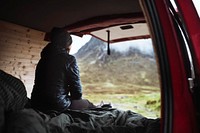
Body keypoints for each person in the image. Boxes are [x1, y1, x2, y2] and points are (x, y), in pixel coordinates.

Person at [31, 27, 95, 113]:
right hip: (57, 105)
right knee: (88, 104)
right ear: (66, 44)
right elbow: (76, 89)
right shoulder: (69, 59)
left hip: (36, 103)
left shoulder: (42, 59)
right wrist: (75, 98)